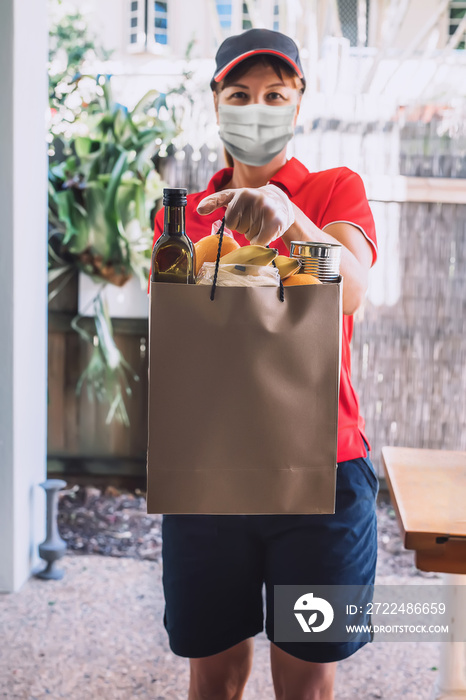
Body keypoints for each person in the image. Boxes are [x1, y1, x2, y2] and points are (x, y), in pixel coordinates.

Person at [151, 28, 379, 700]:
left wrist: (289, 222)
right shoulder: (187, 216)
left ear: (299, 104)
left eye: (276, 95)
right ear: (217, 104)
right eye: (241, 93)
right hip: (207, 476)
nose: (258, 108)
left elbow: (353, 287)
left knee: (305, 687)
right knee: (213, 678)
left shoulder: (335, 191)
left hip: (323, 477)